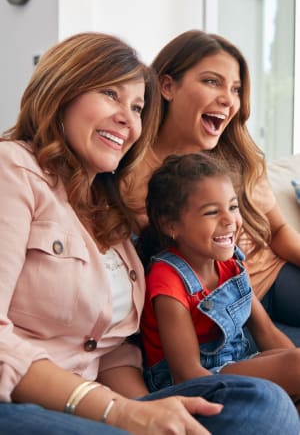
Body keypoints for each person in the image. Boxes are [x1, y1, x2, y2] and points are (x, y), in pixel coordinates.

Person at [1, 32, 296, 435]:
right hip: (23, 399)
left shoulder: (109, 214)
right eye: (110, 94)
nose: (128, 118)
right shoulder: (13, 170)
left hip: (103, 403)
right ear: (61, 91)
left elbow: (113, 352)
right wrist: (120, 413)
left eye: (137, 106)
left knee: (264, 404)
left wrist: (146, 411)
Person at [121, 29, 300, 345]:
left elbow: (279, 233)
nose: (228, 99)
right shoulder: (129, 174)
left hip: (277, 279)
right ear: (167, 86)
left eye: (236, 88)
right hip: (221, 315)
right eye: (211, 81)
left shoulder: (237, 156)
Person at [138, 152, 300, 413]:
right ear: (171, 226)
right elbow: (186, 374)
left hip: (235, 362)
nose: (229, 220)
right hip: (187, 383)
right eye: (212, 212)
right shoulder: (167, 280)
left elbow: (266, 332)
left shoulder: (231, 263)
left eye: (233, 207)